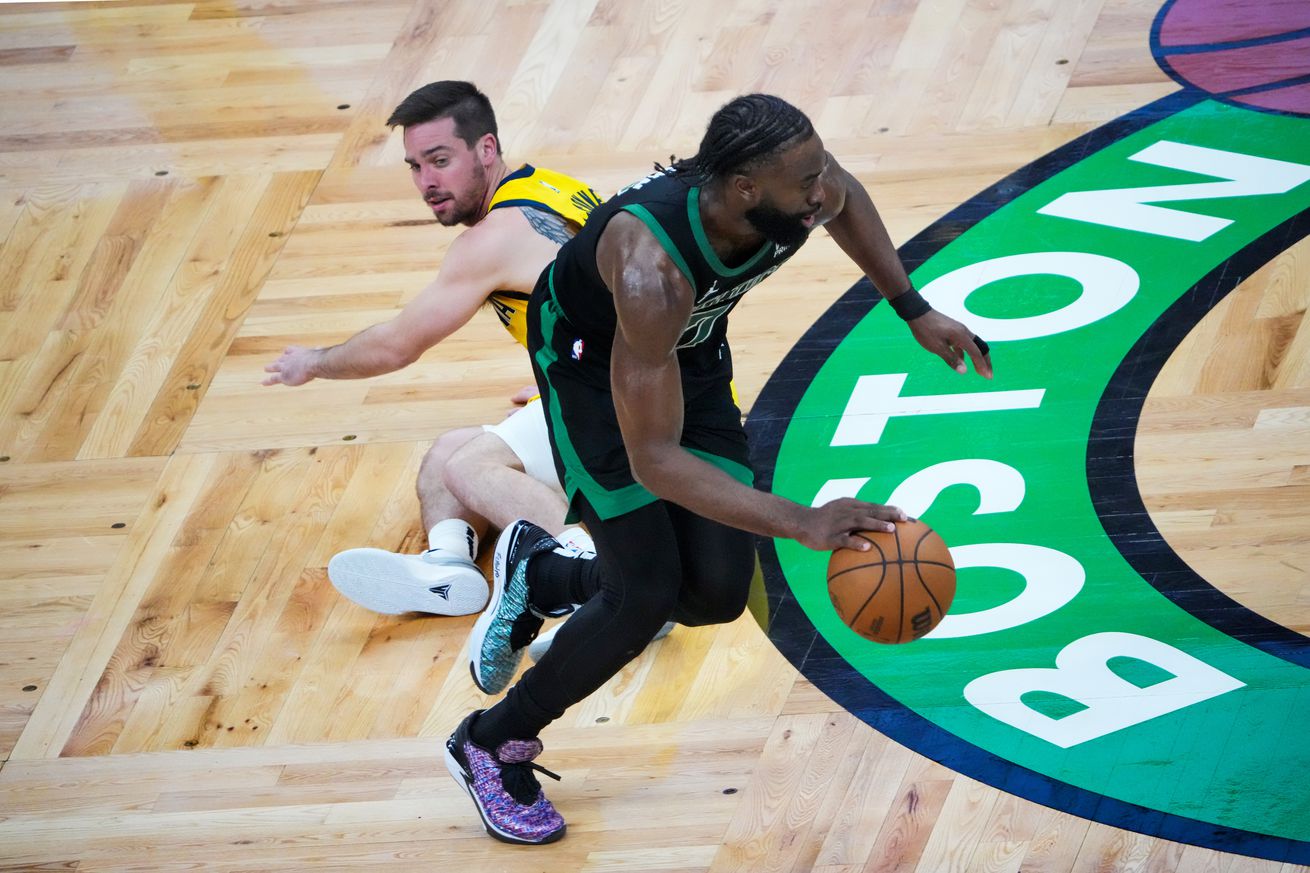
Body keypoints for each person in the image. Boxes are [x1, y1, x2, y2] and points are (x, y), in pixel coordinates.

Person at [442, 94, 993, 845]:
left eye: (817, 172)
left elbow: (849, 196)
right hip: (593, 371)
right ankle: (490, 739)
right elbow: (656, 459)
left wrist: (912, 307)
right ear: (742, 190)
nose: (818, 192)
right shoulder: (651, 270)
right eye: (803, 183)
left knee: (714, 594)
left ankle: (546, 576)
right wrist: (804, 520)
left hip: (688, 351)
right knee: (643, 595)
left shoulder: (794, 195)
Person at [261, 80, 602, 616]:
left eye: (439, 160)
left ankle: (601, 577)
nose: (427, 182)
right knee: (447, 451)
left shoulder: (491, 240)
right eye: (415, 166)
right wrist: (555, 378)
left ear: (485, 149)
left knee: (471, 467)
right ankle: (449, 570)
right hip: (626, 386)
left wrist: (314, 363)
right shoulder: (552, 187)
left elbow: (397, 347)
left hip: (635, 411)